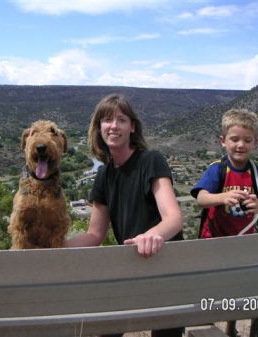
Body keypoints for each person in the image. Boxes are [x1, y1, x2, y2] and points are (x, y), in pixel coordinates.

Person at [66, 94, 184, 337]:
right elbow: (94, 235)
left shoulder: (151, 160)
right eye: (107, 120)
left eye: (121, 119)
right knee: (107, 328)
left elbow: (173, 218)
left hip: (165, 267)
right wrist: (56, 246)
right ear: (99, 128)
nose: (114, 126)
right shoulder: (103, 176)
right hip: (132, 268)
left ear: (132, 127)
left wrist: (150, 237)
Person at [191, 108, 258, 337]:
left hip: (243, 246)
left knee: (240, 290)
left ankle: (232, 327)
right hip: (214, 244)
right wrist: (221, 197)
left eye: (247, 140)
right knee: (212, 292)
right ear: (223, 141)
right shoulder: (217, 170)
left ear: (255, 143)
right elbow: (201, 198)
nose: (240, 145)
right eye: (235, 139)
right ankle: (208, 325)